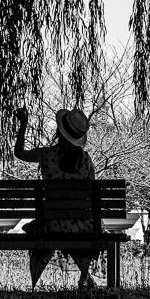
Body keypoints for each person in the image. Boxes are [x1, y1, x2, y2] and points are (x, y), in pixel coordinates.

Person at [14, 105, 100, 289]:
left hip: (51, 223)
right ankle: (84, 278)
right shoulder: (86, 159)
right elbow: (92, 193)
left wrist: (23, 124)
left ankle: (86, 279)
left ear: (59, 132)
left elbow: (19, 153)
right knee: (81, 229)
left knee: (62, 226)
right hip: (83, 224)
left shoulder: (45, 154)